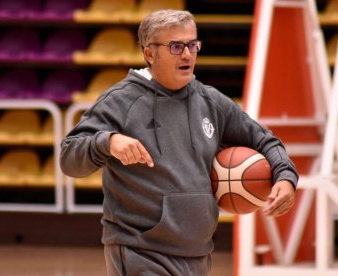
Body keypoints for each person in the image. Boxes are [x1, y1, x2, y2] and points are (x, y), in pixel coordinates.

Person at [60, 9, 298, 276]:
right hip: (139, 251)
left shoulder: (212, 102)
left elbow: (264, 140)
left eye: (192, 44)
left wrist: (285, 176)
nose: (187, 54)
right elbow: (69, 158)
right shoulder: (121, 101)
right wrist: (108, 142)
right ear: (150, 54)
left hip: (197, 253)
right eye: (175, 46)